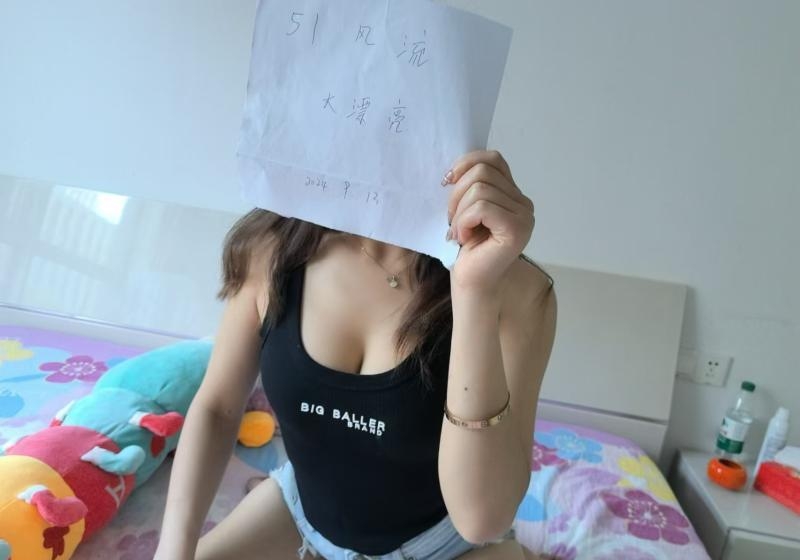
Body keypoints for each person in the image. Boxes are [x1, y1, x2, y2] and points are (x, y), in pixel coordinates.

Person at [153, 150, 557, 560]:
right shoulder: (272, 248)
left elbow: (481, 520)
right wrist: (172, 551)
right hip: (301, 514)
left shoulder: (518, 292)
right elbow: (218, 408)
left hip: (445, 547)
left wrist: (474, 291)